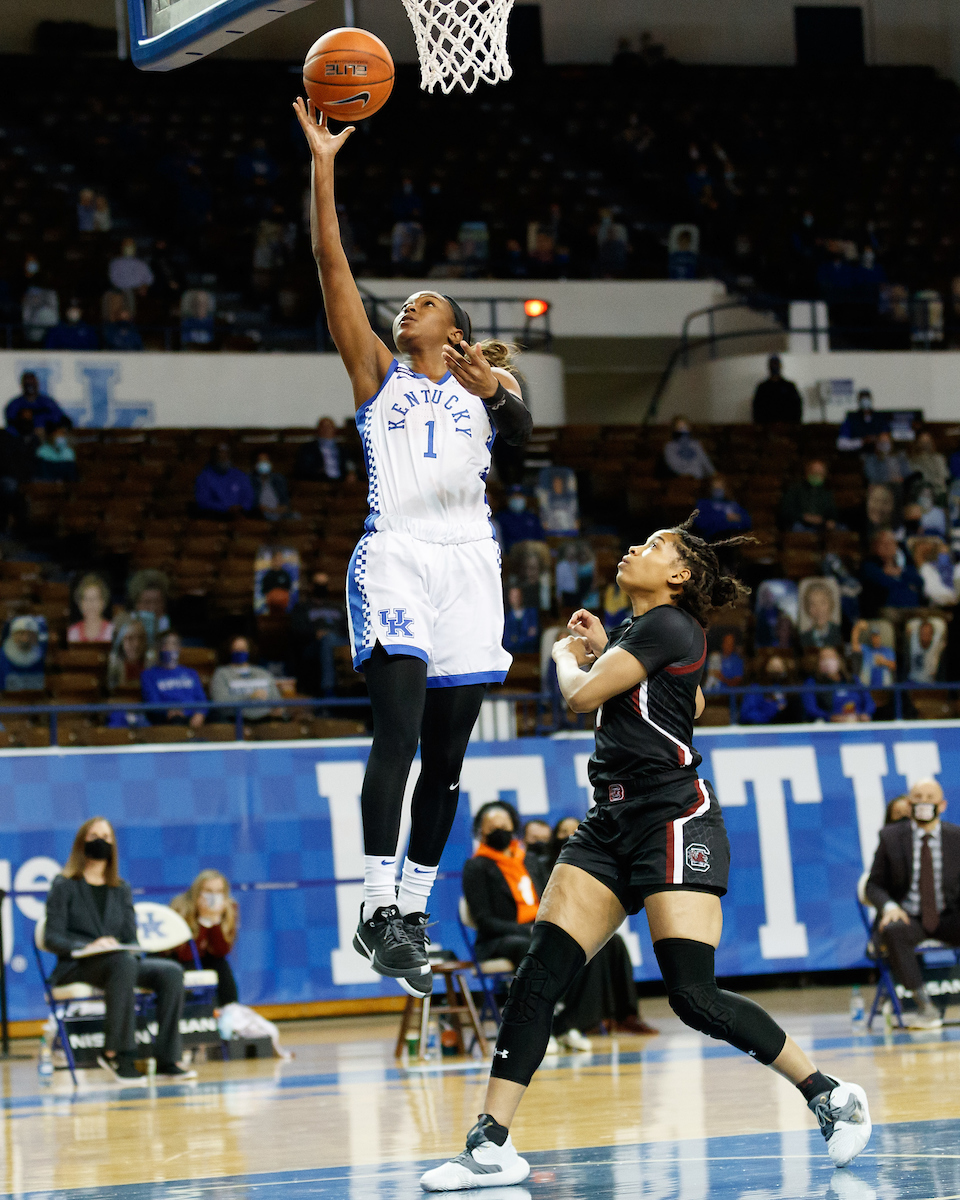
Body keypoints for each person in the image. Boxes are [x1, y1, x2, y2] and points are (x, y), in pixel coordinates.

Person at [421, 516, 870, 1191]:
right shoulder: (648, 633)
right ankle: (490, 1144)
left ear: (680, 576)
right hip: (610, 820)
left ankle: (828, 1093)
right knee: (538, 977)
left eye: (655, 546)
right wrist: (609, 647)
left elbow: (578, 697)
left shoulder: (669, 626)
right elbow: (690, 696)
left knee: (692, 995)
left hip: (673, 815)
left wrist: (564, 656)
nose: (635, 547)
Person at [294, 98, 531, 999]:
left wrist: (499, 396)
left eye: (425, 303)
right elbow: (331, 265)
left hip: (472, 562)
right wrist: (324, 165)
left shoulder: (487, 385)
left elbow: (535, 443)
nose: (407, 308)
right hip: (396, 550)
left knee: (450, 758)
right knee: (395, 734)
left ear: (455, 331)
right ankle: (372, 904)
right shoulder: (375, 374)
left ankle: (415, 910)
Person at [43, 817, 194, 1082]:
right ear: (81, 842)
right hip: (78, 966)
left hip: (119, 964)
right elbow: (52, 937)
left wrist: (123, 948)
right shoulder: (64, 884)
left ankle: (168, 1057)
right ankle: (117, 1053)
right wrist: (88, 946)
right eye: (94, 836)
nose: (100, 841)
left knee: (170, 971)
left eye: (106, 836)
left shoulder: (120, 889)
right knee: (122, 963)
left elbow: (132, 940)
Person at [866, 778, 960, 1030]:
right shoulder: (891, 837)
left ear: (942, 804)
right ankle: (924, 1007)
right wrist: (889, 907)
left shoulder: (956, 837)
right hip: (910, 916)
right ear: (909, 804)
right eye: (918, 797)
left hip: (948, 915)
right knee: (894, 930)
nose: (924, 802)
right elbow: (873, 885)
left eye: (930, 797)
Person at [171, 870, 239, 1007]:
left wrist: (214, 922)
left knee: (221, 964)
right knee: (188, 965)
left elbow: (221, 951)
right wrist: (203, 920)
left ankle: (230, 1010)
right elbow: (185, 954)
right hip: (178, 959)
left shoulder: (229, 909)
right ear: (197, 892)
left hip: (208, 959)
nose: (213, 896)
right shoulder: (180, 906)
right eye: (208, 891)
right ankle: (190, 1010)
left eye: (219, 892)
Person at [289, 571, 347, 697]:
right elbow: (297, 631)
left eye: (324, 584)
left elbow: (347, 628)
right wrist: (315, 633)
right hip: (313, 646)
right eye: (318, 584)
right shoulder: (302, 608)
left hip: (339, 642)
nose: (321, 587)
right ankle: (328, 691)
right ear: (311, 586)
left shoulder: (337, 607)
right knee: (327, 640)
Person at [140, 631, 207, 728]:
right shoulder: (148, 675)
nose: (170, 648)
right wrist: (168, 711)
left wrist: (200, 714)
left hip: (193, 716)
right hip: (168, 719)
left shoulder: (191, 673)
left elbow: (202, 700)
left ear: (179, 648)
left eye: (174, 644)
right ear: (159, 648)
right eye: (165, 644)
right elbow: (153, 703)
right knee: (176, 722)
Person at [210, 636, 282, 723]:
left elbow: (277, 701)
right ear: (229, 651)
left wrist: (278, 710)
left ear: (249, 651)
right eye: (236, 649)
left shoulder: (263, 673)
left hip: (265, 720)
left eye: (243, 649)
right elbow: (220, 702)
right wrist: (249, 697)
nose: (240, 652)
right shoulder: (221, 674)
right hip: (235, 721)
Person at [802, 647, 874, 723]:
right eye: (823, 658)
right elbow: (811, 709)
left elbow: (869, 701)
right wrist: (829, 717)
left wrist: (866, 714)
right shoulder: (812, 683)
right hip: (830, 727)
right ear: (818, 663)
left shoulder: (853, 680)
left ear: (838, 660)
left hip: (858, 723)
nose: (827, 662)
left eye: (831, 658)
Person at [860, 530, 924, 613]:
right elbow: (884, 582)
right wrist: (907, 584)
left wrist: (901, 573)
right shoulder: (869, 566)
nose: (888, 547)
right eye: (883, 543)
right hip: (885, 610)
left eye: (891, 543)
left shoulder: (904, 564)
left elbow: (920, 581)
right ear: (875, 546)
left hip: (912, 609)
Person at [740, 655, 803, 725]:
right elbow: (747, 713)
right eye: (773, 667)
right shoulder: (756, 689)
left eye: (779, 667)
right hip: (763, 728)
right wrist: (767, 716)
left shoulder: (790, 690)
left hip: (786, 728)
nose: (776, 670)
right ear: (765, 669)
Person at [195, 445, 255, 518]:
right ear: (214, 456)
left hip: (240, 513)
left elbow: (249, 496)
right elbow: (203, 502)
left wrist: (242, 506)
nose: (223, 457)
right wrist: (226, 508)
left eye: (226, 453)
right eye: (220, 453)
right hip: (216, 515)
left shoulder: (239, 475)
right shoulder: (204, 477)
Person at [779, 460, 837, 532]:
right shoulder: (795, 489)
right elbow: (786, 511)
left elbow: (831, 511)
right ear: (807, 473)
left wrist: (830, 520)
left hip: (821, 525)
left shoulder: (826, 492)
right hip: (800, 524)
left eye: (820, 473)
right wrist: (804, 517)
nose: (817, 476)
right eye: (815, 473)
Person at [5, 371, 72, 432]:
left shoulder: (48, 402)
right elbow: (11, 424)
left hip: (47, 439)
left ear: (37, 384)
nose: (30, 386)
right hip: (23, 439)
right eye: (27, 384)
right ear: (22, 385)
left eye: (32, 383)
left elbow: (61, 419)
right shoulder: (14, 404)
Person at [751, 355, 803, 424]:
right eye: (773, 364)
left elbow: (797, 408)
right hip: (768, 429)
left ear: (780, 366)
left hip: (788, 428)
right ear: (769, 367)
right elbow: (757, 410)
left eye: (776, 364)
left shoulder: (789, 386)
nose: (775, 367)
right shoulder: (762, 388)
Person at [0, 615, 47, 692]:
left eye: (30, 634)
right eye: (21, 633)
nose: (25, 639)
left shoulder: (43, 657)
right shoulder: (1, 657)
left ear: (36, 637)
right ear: (13, 635)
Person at [68, 574, 115, 644]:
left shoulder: (112, 631)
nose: (90, 604)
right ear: (80, 603)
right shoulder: (72, 632)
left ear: (103, 602)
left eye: (95, 599)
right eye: (86, 599)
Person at [108, 618, 153, 691]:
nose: (136, 644)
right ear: (121, 642)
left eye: (141, 638)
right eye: (130, 638)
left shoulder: (152, 666)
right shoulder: (112, 667)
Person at [294, 417, 344, 481]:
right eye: (323, 427)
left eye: (329, 427)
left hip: (341, 480)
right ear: (318, 430)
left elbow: (349, 465)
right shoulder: (308, 448)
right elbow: (302, 468)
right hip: (319, 480)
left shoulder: (342, 449)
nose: (326, 430)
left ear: (334, 430)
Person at [851, 620, 897, 687]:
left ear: (880, 637)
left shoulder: (887, 651)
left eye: (877, 636)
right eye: (873, 637)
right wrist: (857, 627)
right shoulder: (866, 649)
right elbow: (854, 645)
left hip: (884, 688)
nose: (875, 639)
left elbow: (894, 666)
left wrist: (883, 662)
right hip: (867, 686)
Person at [496, 487, 544, 552]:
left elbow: (540, 538)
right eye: (514, 497)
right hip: (511, 554)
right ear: (508, 499)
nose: (517, 499)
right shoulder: (501, 518)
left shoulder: (532, 517)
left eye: (520, 496)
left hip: (533, 552)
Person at [799, 581, 843, 650]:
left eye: (823, 603)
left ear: (831, 605)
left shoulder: (840, 634)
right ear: (807, 609)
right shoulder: (802, 638)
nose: (819, 610)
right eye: (813, 604)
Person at [252, 452, 292, 521]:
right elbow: (252, 503)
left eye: (266, 461)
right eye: (261, 461)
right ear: (256, 465)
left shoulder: (279, 479)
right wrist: (262, 509)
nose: (264, 464)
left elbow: (285, 501)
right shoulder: (250, 480)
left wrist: (281, 509)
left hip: (280, 515)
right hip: (260, 517)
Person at [909, 431, 949, 495]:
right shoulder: (914, 460)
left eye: (928, 441)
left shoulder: (939, 458)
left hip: (940, 491)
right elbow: (918, 476)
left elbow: (945, 475)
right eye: (923, 441)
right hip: (924, 492)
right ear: (918, 443)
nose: (925, 444)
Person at [503, 586, 539, 654]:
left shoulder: (531, 614)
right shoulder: (506, 618)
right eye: (513, 596)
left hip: (530, 655)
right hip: (512, 655)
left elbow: (533, 639)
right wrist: (525, 637)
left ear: (522, 596)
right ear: (509, 598)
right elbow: (506, 641)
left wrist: (515, 639)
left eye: (518, 596)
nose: (516, 599)